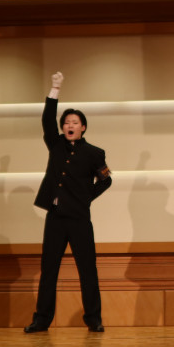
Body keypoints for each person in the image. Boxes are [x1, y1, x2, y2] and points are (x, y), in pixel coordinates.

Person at [24, 72, 112, 333]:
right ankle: (41, 320)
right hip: (55, 217)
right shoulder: (56, 145)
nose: (69, 125)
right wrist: (55, 89)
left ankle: (94, 319)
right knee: (48, 270)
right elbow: (46, 121)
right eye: (66, 122)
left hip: (80, 219)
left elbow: (106, 180)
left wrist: (85, 197)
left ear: (83, 127)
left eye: (75, 122)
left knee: (87, 270)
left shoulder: (95, 153)